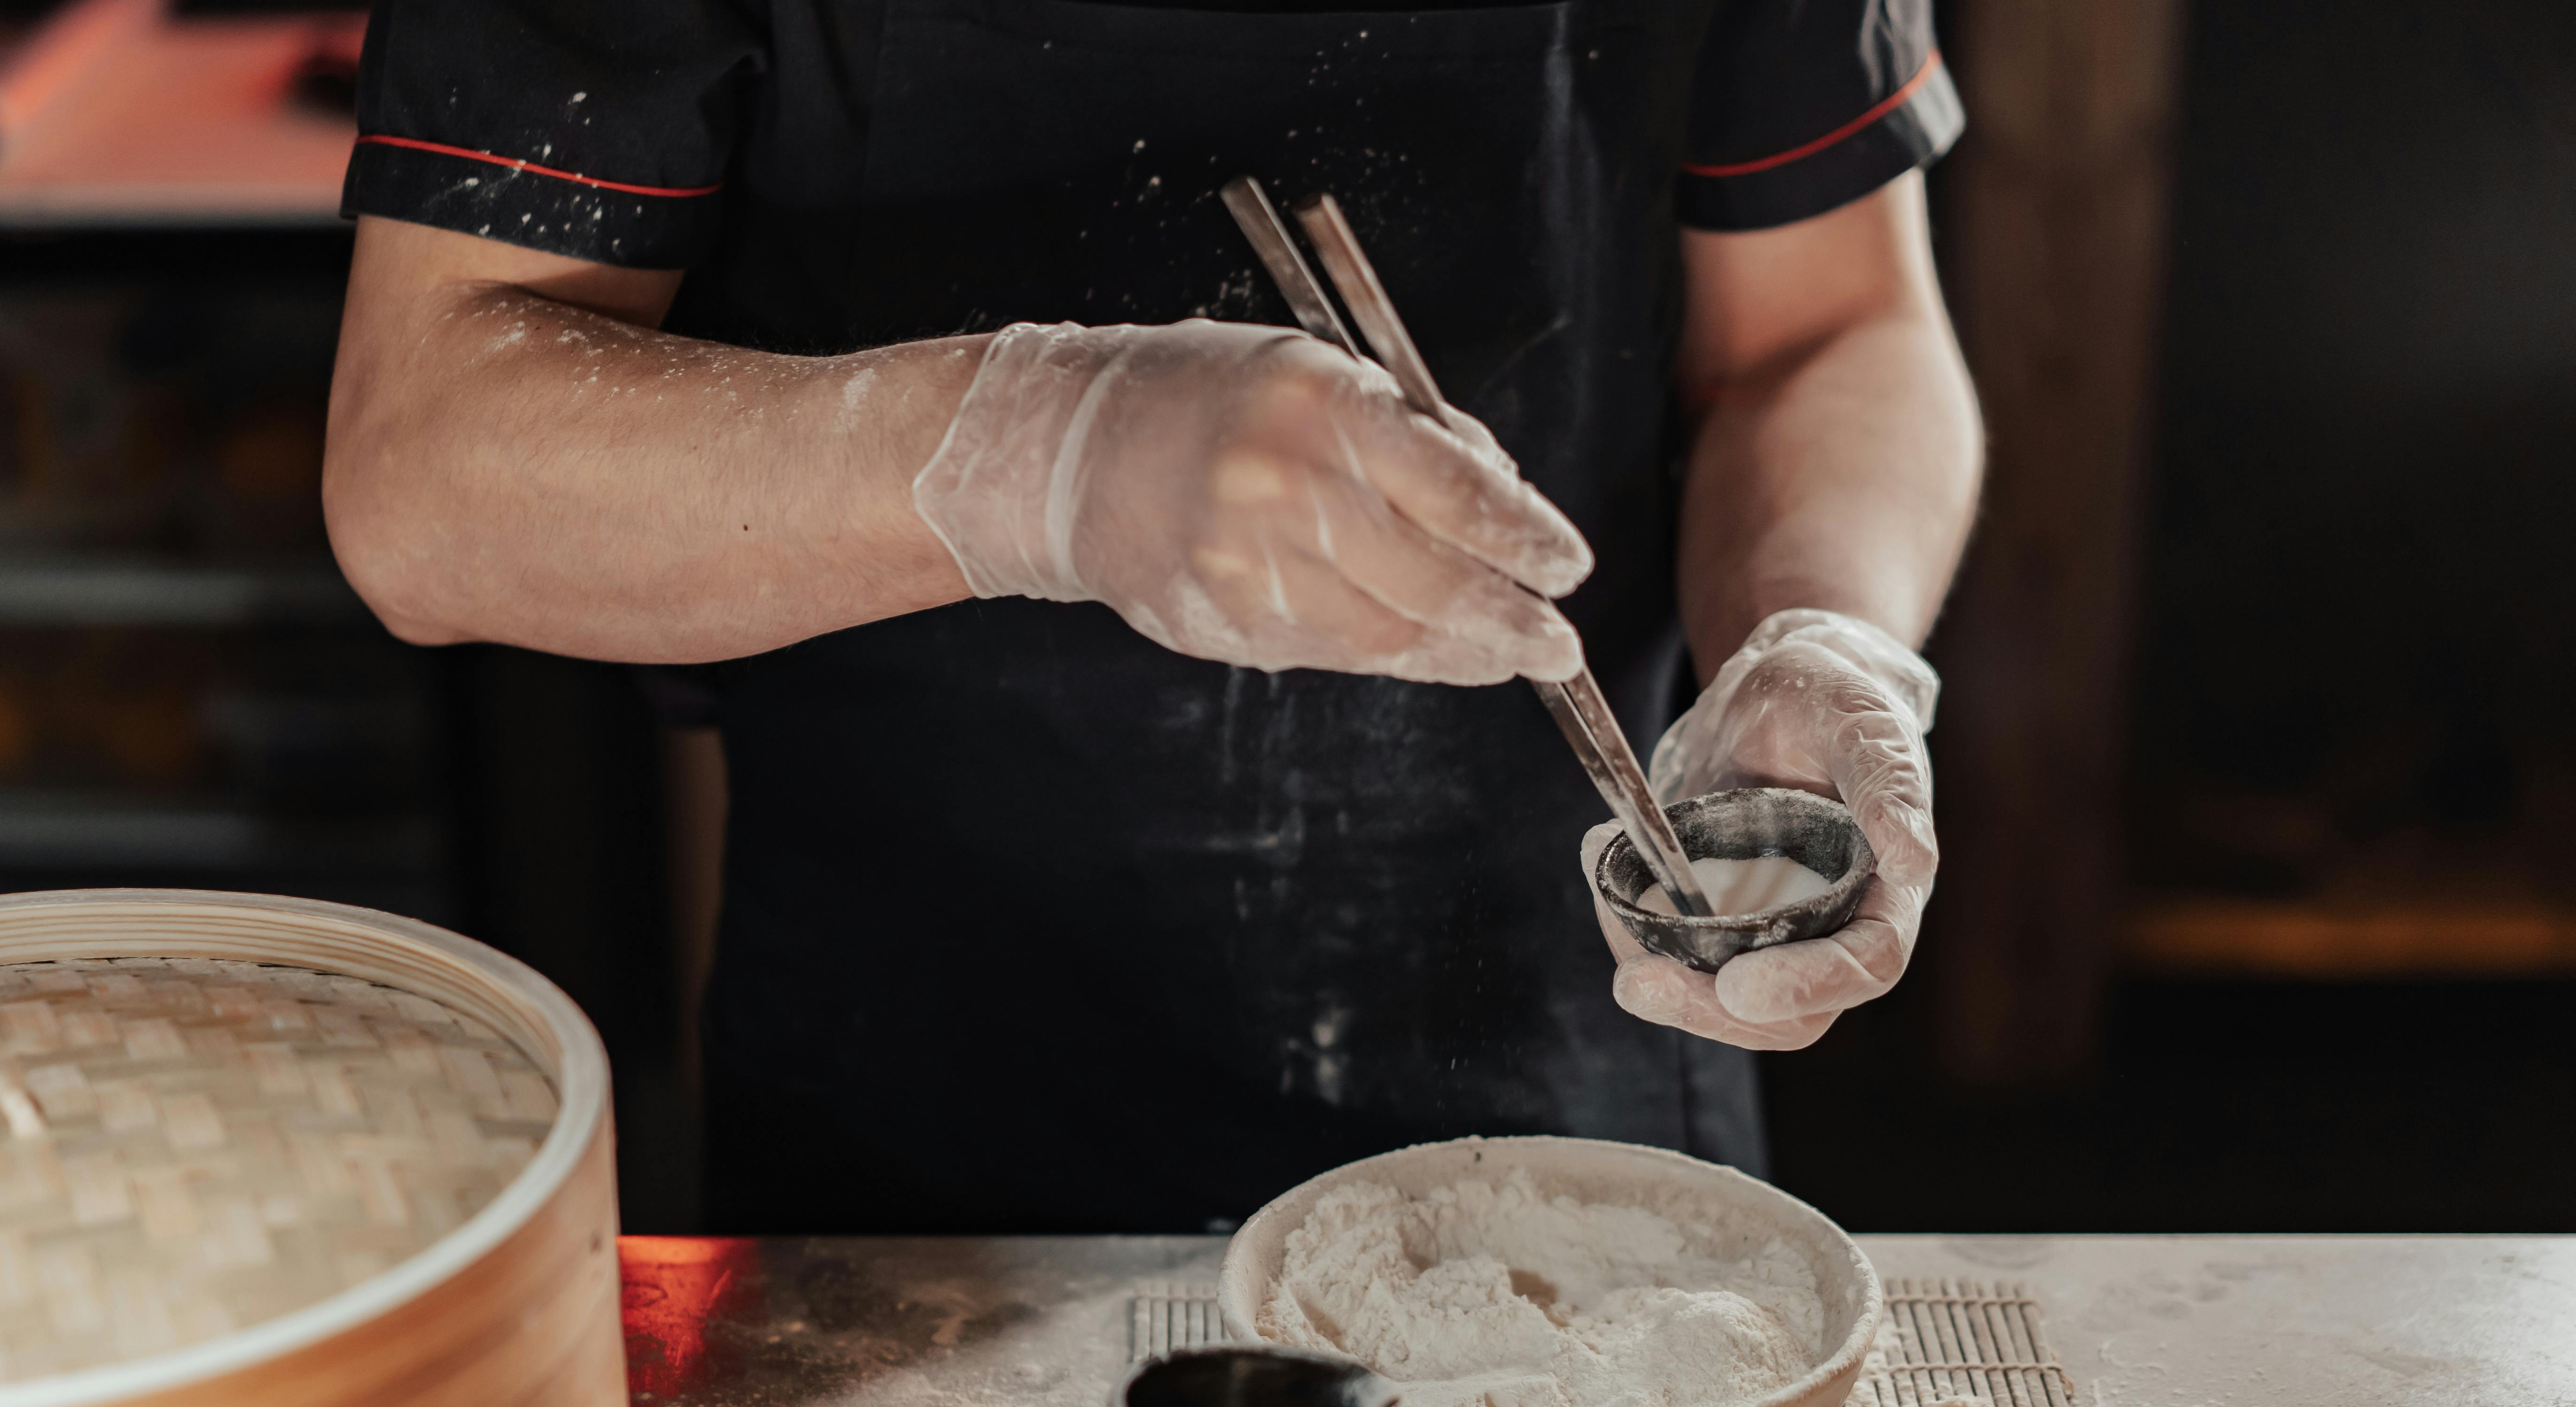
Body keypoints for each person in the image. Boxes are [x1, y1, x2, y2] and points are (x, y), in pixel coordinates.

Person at [324, 0, 1983, 1232]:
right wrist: (1040, 454)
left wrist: (1819, 628)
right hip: (920, 1112)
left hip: (1578, 1024)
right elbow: (425, 469)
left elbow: (1828, 328)